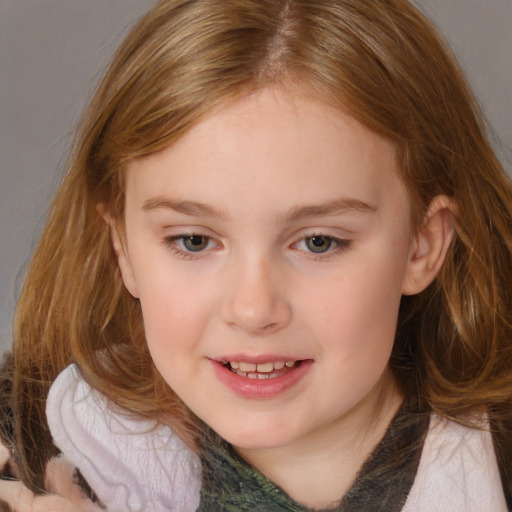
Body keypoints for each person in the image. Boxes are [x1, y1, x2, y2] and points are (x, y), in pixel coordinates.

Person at [1, 0, 511, 510]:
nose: (253, 309)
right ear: (123, 247)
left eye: (318, 242)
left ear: (422, 246)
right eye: (193, 241)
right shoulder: (22, 457)